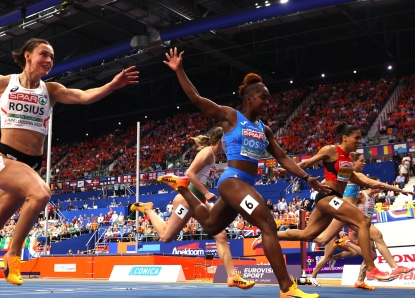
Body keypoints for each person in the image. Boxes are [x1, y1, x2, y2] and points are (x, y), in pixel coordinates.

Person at [0, 38, 138, 286]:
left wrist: (111, 85)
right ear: (27, 56)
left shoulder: (50, 90)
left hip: (31, 165)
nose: (49, 60)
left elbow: (84, 96)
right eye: (44, 54)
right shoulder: (3, 82)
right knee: (42, 194)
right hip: (3, 158)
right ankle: (13, 255)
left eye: (52, 57)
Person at [157, 47, 328, 298]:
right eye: (263, 98)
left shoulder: (265, 130)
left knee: (211, 225)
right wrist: (179, 70)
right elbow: (196, 98)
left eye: (268, 98)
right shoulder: (230, 116)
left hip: (244, 184)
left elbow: (282, 158)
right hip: (232, 181)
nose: (267, 102)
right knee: (267, 223)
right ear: (249, 99)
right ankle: (286, 287)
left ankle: (182, 187)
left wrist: (307, 177)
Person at [259, 124, 399, 282]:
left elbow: (349, 178)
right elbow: (306, 163)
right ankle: (371, 269)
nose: (360, 141)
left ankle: (269, 234)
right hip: (328, 197)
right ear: (345, 137)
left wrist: (370, 184)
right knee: (363, 222)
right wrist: (286, 170)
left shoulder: (347, 158)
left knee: (308, 234)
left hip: (334, 199)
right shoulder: (331, 150)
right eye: (356, 137)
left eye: (360, 137)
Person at [130, 127, 255, 290]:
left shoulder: (213, 156)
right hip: (187, 201)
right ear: (220, 142)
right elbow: (189, 173)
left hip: (199, 201)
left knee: (221, 235)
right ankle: (148, 209)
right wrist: (206, 192)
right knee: (166, 237)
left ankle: (233, 276)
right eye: (227, 143)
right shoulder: (207, 152)